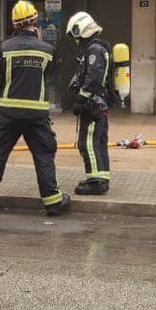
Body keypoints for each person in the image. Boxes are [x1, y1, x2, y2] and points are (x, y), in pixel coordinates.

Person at [0, 0, 71, 217]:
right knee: (43, 155)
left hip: (8, 111)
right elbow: (48, 76)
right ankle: (52, 202)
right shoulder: (47, 49)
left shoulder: (5, 47)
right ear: (34, 21)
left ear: (14, 23)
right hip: (36, 113)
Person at [67, 11, 112, 196]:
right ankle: (101, 177)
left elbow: (93, 79)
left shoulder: (94, 49)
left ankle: (96, 182)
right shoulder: (97, 48)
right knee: (98, 143)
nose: (75, 40)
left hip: (92, 106)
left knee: (88, 143)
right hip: (98, 106)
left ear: (81, 30)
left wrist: (80, 99)